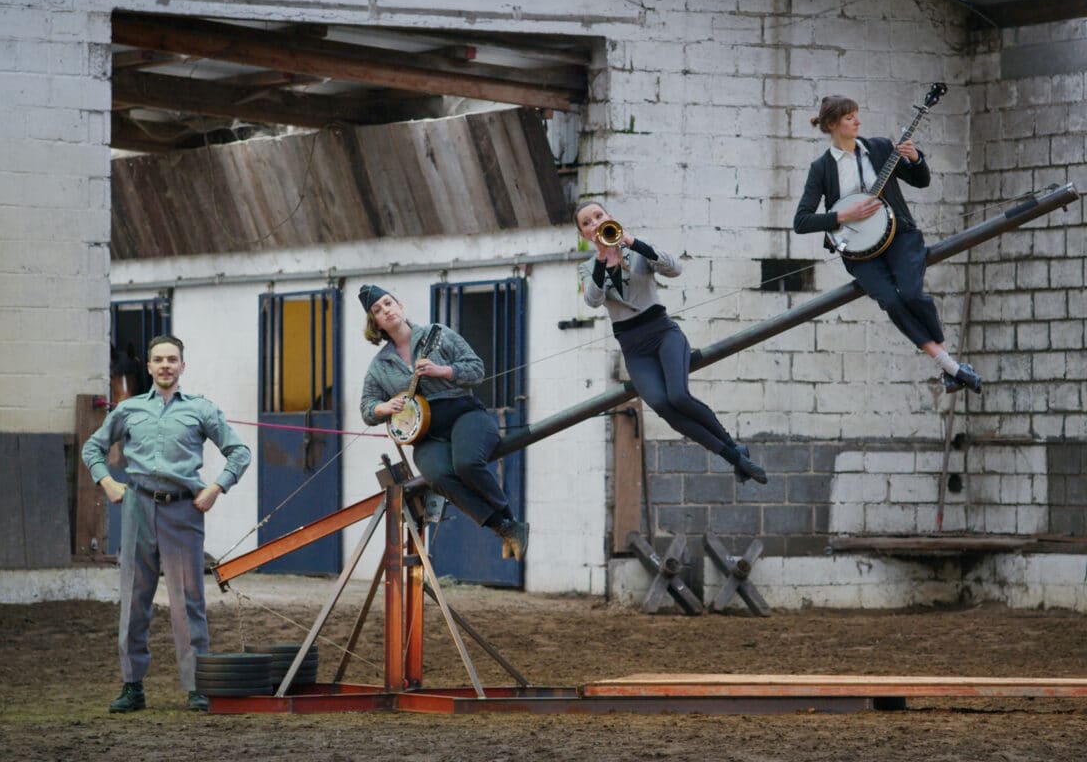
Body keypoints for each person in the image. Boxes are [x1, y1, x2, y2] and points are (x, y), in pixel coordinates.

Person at [81, 334, 251, 714]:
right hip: (137, 508)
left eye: (172, 360)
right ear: (149, 367)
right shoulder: (128, 411)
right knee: (134, 599)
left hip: (183, 512)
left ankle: (196, 687)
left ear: (182, 366)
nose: (165, 366)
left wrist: (216, 488)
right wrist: (106, 481)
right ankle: (132, 686)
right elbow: (92, 447)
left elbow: (240, 452)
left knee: (188, 602)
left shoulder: (201, 410)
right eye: (158, 360)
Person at [793, 94, 983, 394]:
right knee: (892, 301)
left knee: (911, 293)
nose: (858, 121)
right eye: (849, 117)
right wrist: (843, 215)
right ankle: (952, 368)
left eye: (857, 115)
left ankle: (950, 368)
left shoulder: (879, 148)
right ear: (832, 124)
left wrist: (915, 159)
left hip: (900, 236)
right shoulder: (822, 168)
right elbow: (801, 221)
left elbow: (921, 181)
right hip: (859, 252)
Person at [574, 201, 767, 483]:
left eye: (598, 216)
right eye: (587, 222)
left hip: (663, 332)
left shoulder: (637, 248)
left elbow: (674, 268)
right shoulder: (588, 267)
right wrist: (603, 257)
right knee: (664, 407)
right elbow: (593, 300)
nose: (595, 223)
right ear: (584, 234)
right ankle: (735, 456)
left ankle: (733, 447)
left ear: (609, 217)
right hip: (633, 347)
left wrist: (630, 241)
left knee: (678, 396)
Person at [358, 285, 529, 560]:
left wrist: (444, 371)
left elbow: (477, 369)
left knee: (466, 463)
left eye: (388, 303)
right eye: (377, 310)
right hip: (425, 435)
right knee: (437, 475)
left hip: (464, 414)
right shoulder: (380, 366)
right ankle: (505, 527)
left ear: (400, 307)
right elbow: (366, 408)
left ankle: (508, 521)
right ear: (375, 322)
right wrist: (383, 407)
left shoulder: (435, 334)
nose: (385, 310)